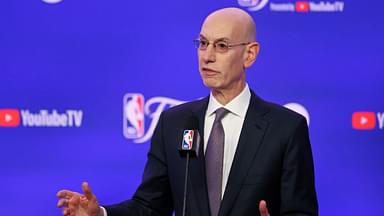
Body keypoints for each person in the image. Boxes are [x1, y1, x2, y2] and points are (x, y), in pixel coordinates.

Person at [57, 7, 318, 216]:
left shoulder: (285, 128)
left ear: (249, 55)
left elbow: (301, 210)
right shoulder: (175, 122)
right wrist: (100, 214)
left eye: (222, 46)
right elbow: (150, 206)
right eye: (203, 43)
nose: (207, 56)